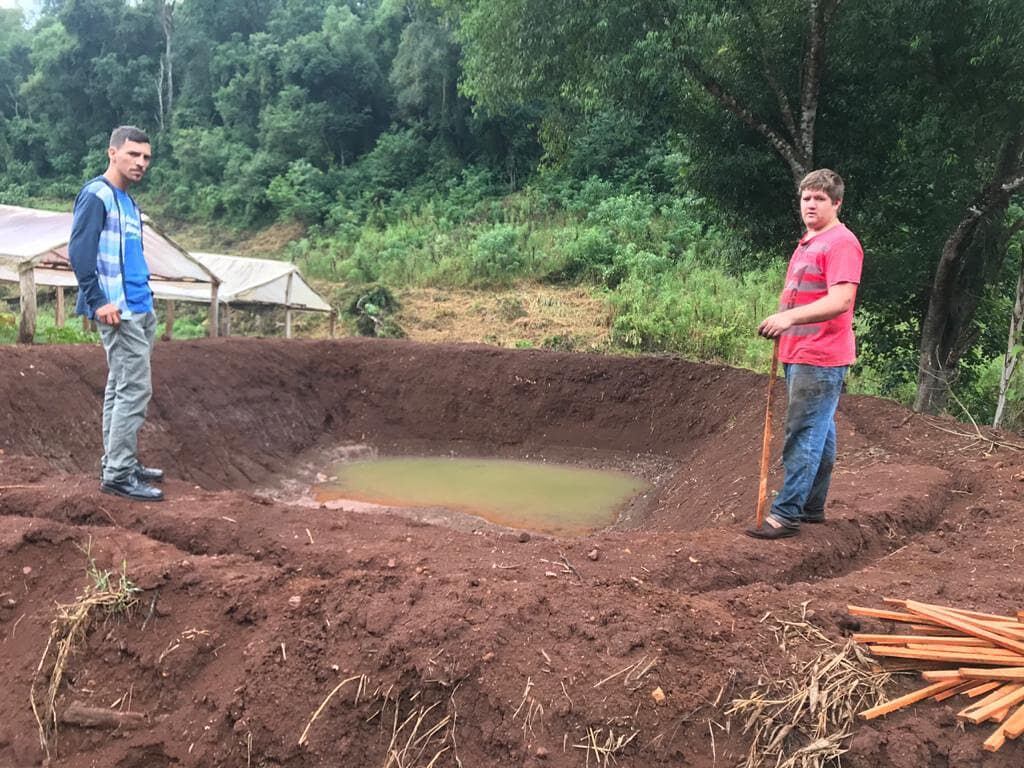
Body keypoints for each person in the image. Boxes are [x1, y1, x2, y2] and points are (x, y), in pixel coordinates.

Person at [746, 168, 863, 539]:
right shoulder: (809, 242)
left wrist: (788, 317)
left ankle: (786, 514)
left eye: (819, 199)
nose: (811, 204)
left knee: (803, 432)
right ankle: (812, 507)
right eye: (806, 198)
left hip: (820, 355)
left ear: (837, 203)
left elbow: (841, 300)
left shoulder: (841, 243)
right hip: (801, 352)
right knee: (820, 431)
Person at [69, 125, 164, 502]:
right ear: (113, 153)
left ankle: (118, 461)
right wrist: (98, 300)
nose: (140, 163)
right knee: (134, 388)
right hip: (117, 309)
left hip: (139, 306)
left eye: (146, 157)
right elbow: (79, 252)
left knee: (119, 387)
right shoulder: (97, 196)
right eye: (133, 155)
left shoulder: (128, 202)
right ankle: (119, 474)